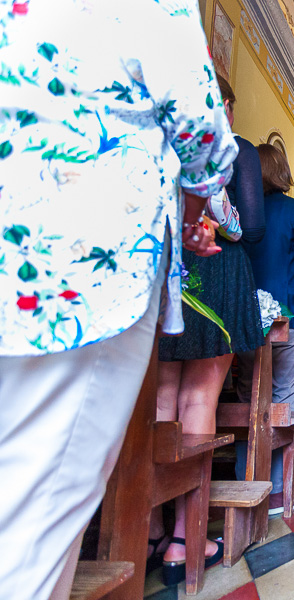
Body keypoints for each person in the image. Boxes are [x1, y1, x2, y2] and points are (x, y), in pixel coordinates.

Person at [0, 2, 235, 597]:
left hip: (22, 239)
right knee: (38, 503)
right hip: (84, 260)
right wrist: (191, 214)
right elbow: (200, 125)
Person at [151, 72, 266, 584]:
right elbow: (251, 227)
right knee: (201, 398)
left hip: (164, 266)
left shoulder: (152, 139)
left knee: (160, 396)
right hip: (214, 269)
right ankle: (184, 534)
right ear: (227, 110)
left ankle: (149, 526)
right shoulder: (231, 147)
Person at [235, 143, 294, 514]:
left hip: (244, 312)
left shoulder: (237, 210)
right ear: (284, 171)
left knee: (245, 396)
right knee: (283, 395)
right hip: (289, 314)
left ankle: (245, 480)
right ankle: (274, 487)